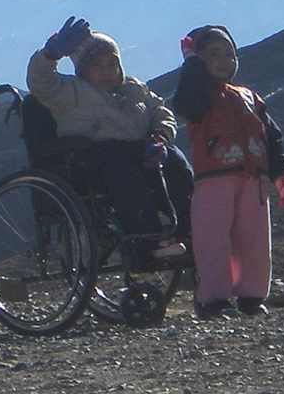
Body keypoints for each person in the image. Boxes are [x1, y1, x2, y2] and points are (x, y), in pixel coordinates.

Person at [26, 17, 194, 262]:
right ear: (82, 69)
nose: (106, 71)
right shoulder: (70, 91)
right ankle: (146, 240)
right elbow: (40, 82)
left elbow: (160, 112)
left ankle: (189, 233)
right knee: (118, 163)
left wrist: (160, 137)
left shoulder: (134, 88)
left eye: (112, 64)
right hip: (90, 158)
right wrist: (50, 54)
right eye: (96, 65)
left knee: (175, 161)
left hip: (140, 151)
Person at [172, 25, 284, 318]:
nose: (224, 60)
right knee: (214, 240)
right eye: (214, 54)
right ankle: (212, 299)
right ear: (199, 59)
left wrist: (281, 173)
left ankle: (252, 297)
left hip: (254, 181)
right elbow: (189, 105)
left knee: (254, 241)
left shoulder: (250, 97)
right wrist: (192, 66)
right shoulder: (198, 95)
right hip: (214, 180)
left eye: (229, 54)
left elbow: (271, 137)